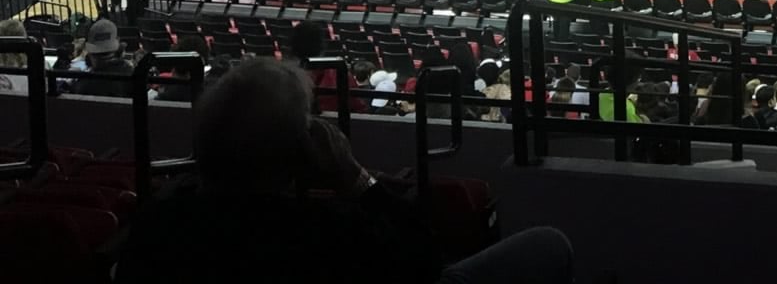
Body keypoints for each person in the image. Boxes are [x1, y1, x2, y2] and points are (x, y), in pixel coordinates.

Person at [114, 58, 574, 284]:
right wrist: (358, 181)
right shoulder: (326, 231)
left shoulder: (158, 221)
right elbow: (423, 261)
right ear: (303, 150)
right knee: (547, 243)